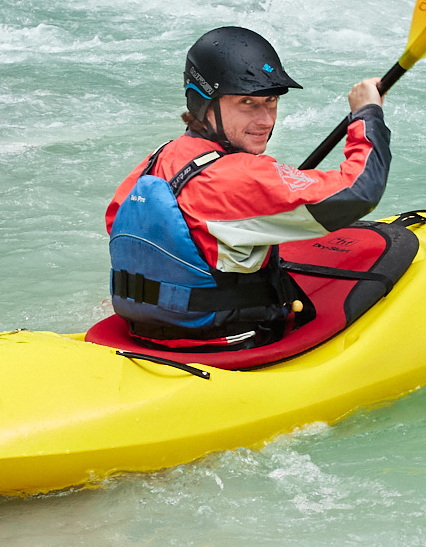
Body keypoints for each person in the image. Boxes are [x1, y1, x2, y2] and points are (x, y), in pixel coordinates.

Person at [106, 26, 391, 350]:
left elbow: (116, 223)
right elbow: (359, 191)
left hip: (145, 330)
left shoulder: (158, 158)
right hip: (228, 341)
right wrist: (367, 113)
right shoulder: (241, 177)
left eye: (271, 101)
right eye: (247, 103)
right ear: (204, 104)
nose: (266, 119)